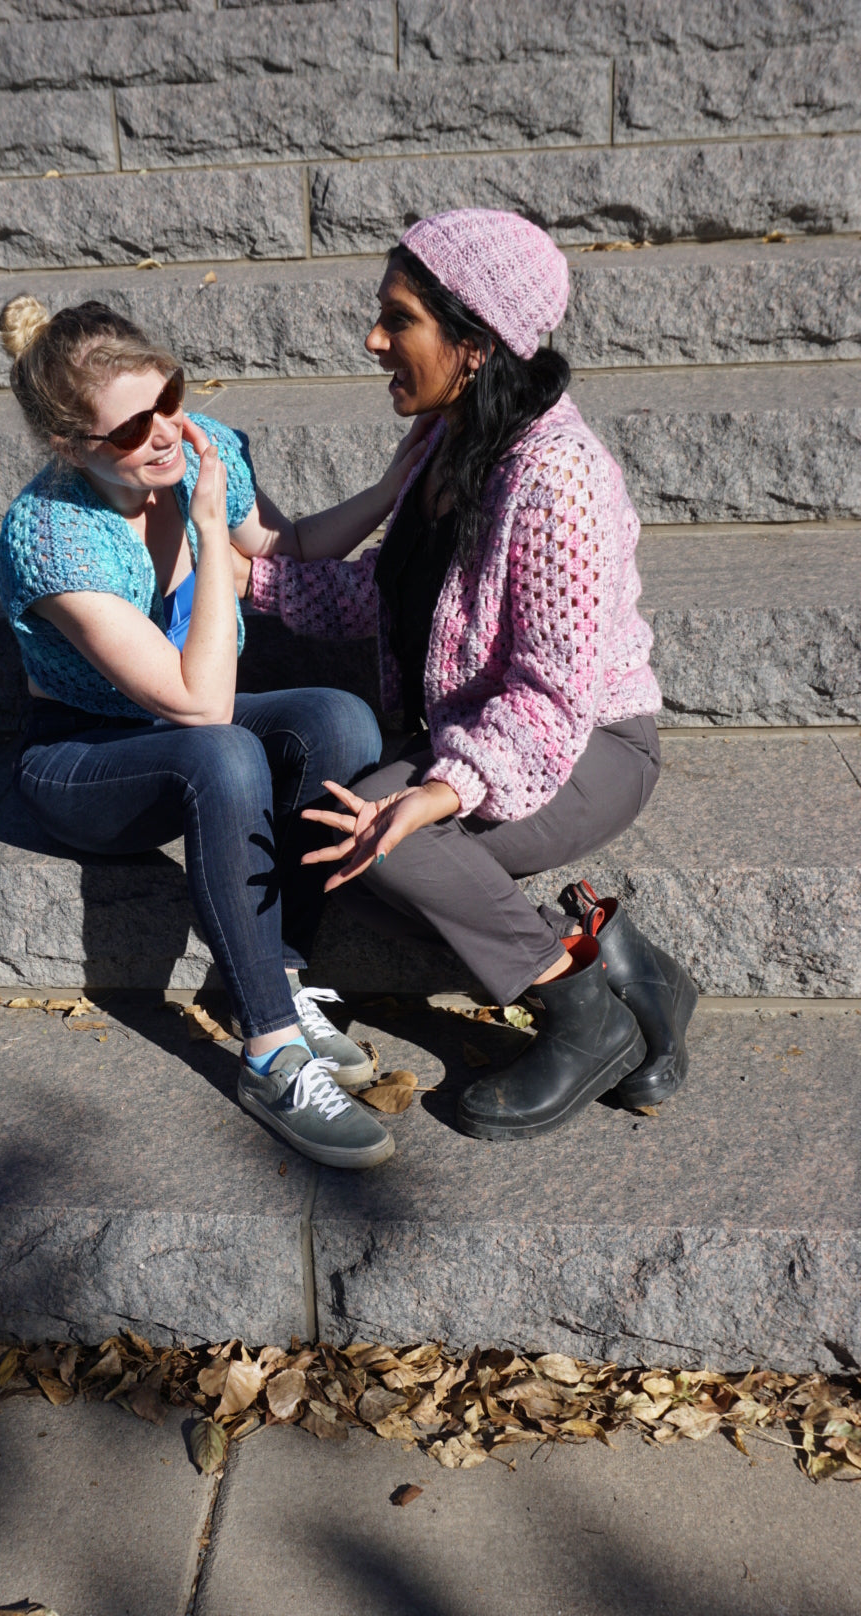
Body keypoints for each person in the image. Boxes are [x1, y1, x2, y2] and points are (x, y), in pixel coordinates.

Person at [244, 209, 697, 1141]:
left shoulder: (558, 478)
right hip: (480, 737)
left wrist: (442, 790)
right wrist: (236, 574)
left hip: (586, 744)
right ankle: (608, 957)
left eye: (398, 319)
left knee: (394, 842)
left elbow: (551, 691)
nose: (374, 339)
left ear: (476, 340)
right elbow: (393, 596)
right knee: (347, 845)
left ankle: (582, 1015)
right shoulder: (448, 444)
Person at [0, 296, 431, 1170]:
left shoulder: (198, 445)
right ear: (71, 447)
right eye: (130, 430)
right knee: (223, 749)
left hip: (191, 722)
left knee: (339, 721)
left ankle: (276, 976)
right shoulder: (53, 537)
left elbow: (289, 542)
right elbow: (197, 707)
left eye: (170, 400)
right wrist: (201, 526)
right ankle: (271, 1053)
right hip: (86, 758)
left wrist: (391, 487)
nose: (162, 435)